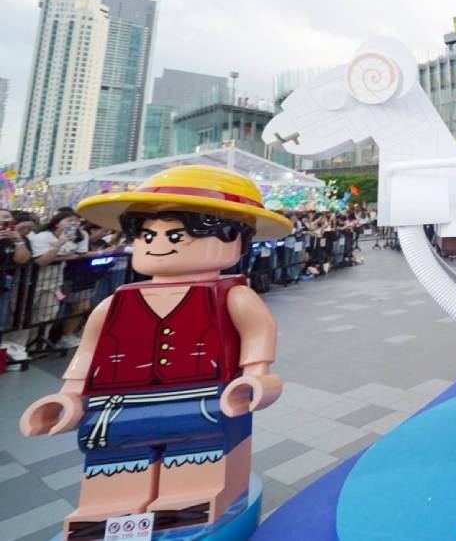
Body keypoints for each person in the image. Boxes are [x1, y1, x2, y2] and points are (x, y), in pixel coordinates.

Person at [20, 165, 287, 538]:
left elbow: (259, 330)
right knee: (113, 455)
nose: (159, 243)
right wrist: (69, 394)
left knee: (200, 452)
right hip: (117, 401)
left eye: (177, 235)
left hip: (202, 396)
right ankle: (106, 509)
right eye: (147, 234)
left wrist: (256, 376)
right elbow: (90, 349)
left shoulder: (233, 295)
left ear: (236, 241)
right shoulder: (116, 303)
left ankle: (189, 503)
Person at [26, 209, 90, 350]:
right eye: (69, 220)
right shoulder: (43, 237)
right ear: (56, 224)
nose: (74, 223)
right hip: (32, 280)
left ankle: (37, 347)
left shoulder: (81, 235)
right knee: (25, 315)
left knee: (48, 314)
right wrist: (59, 246)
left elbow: (80, 254)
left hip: (55, 280)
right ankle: (19, 347)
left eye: (77, 221)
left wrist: (59, 256)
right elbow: (41, 261)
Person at [0, 209, 33, 360]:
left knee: (1, 319)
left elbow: (22, 259)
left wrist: (19, 241)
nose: (3, 221)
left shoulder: (19, 238)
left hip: (4, 284)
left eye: (7, 217)